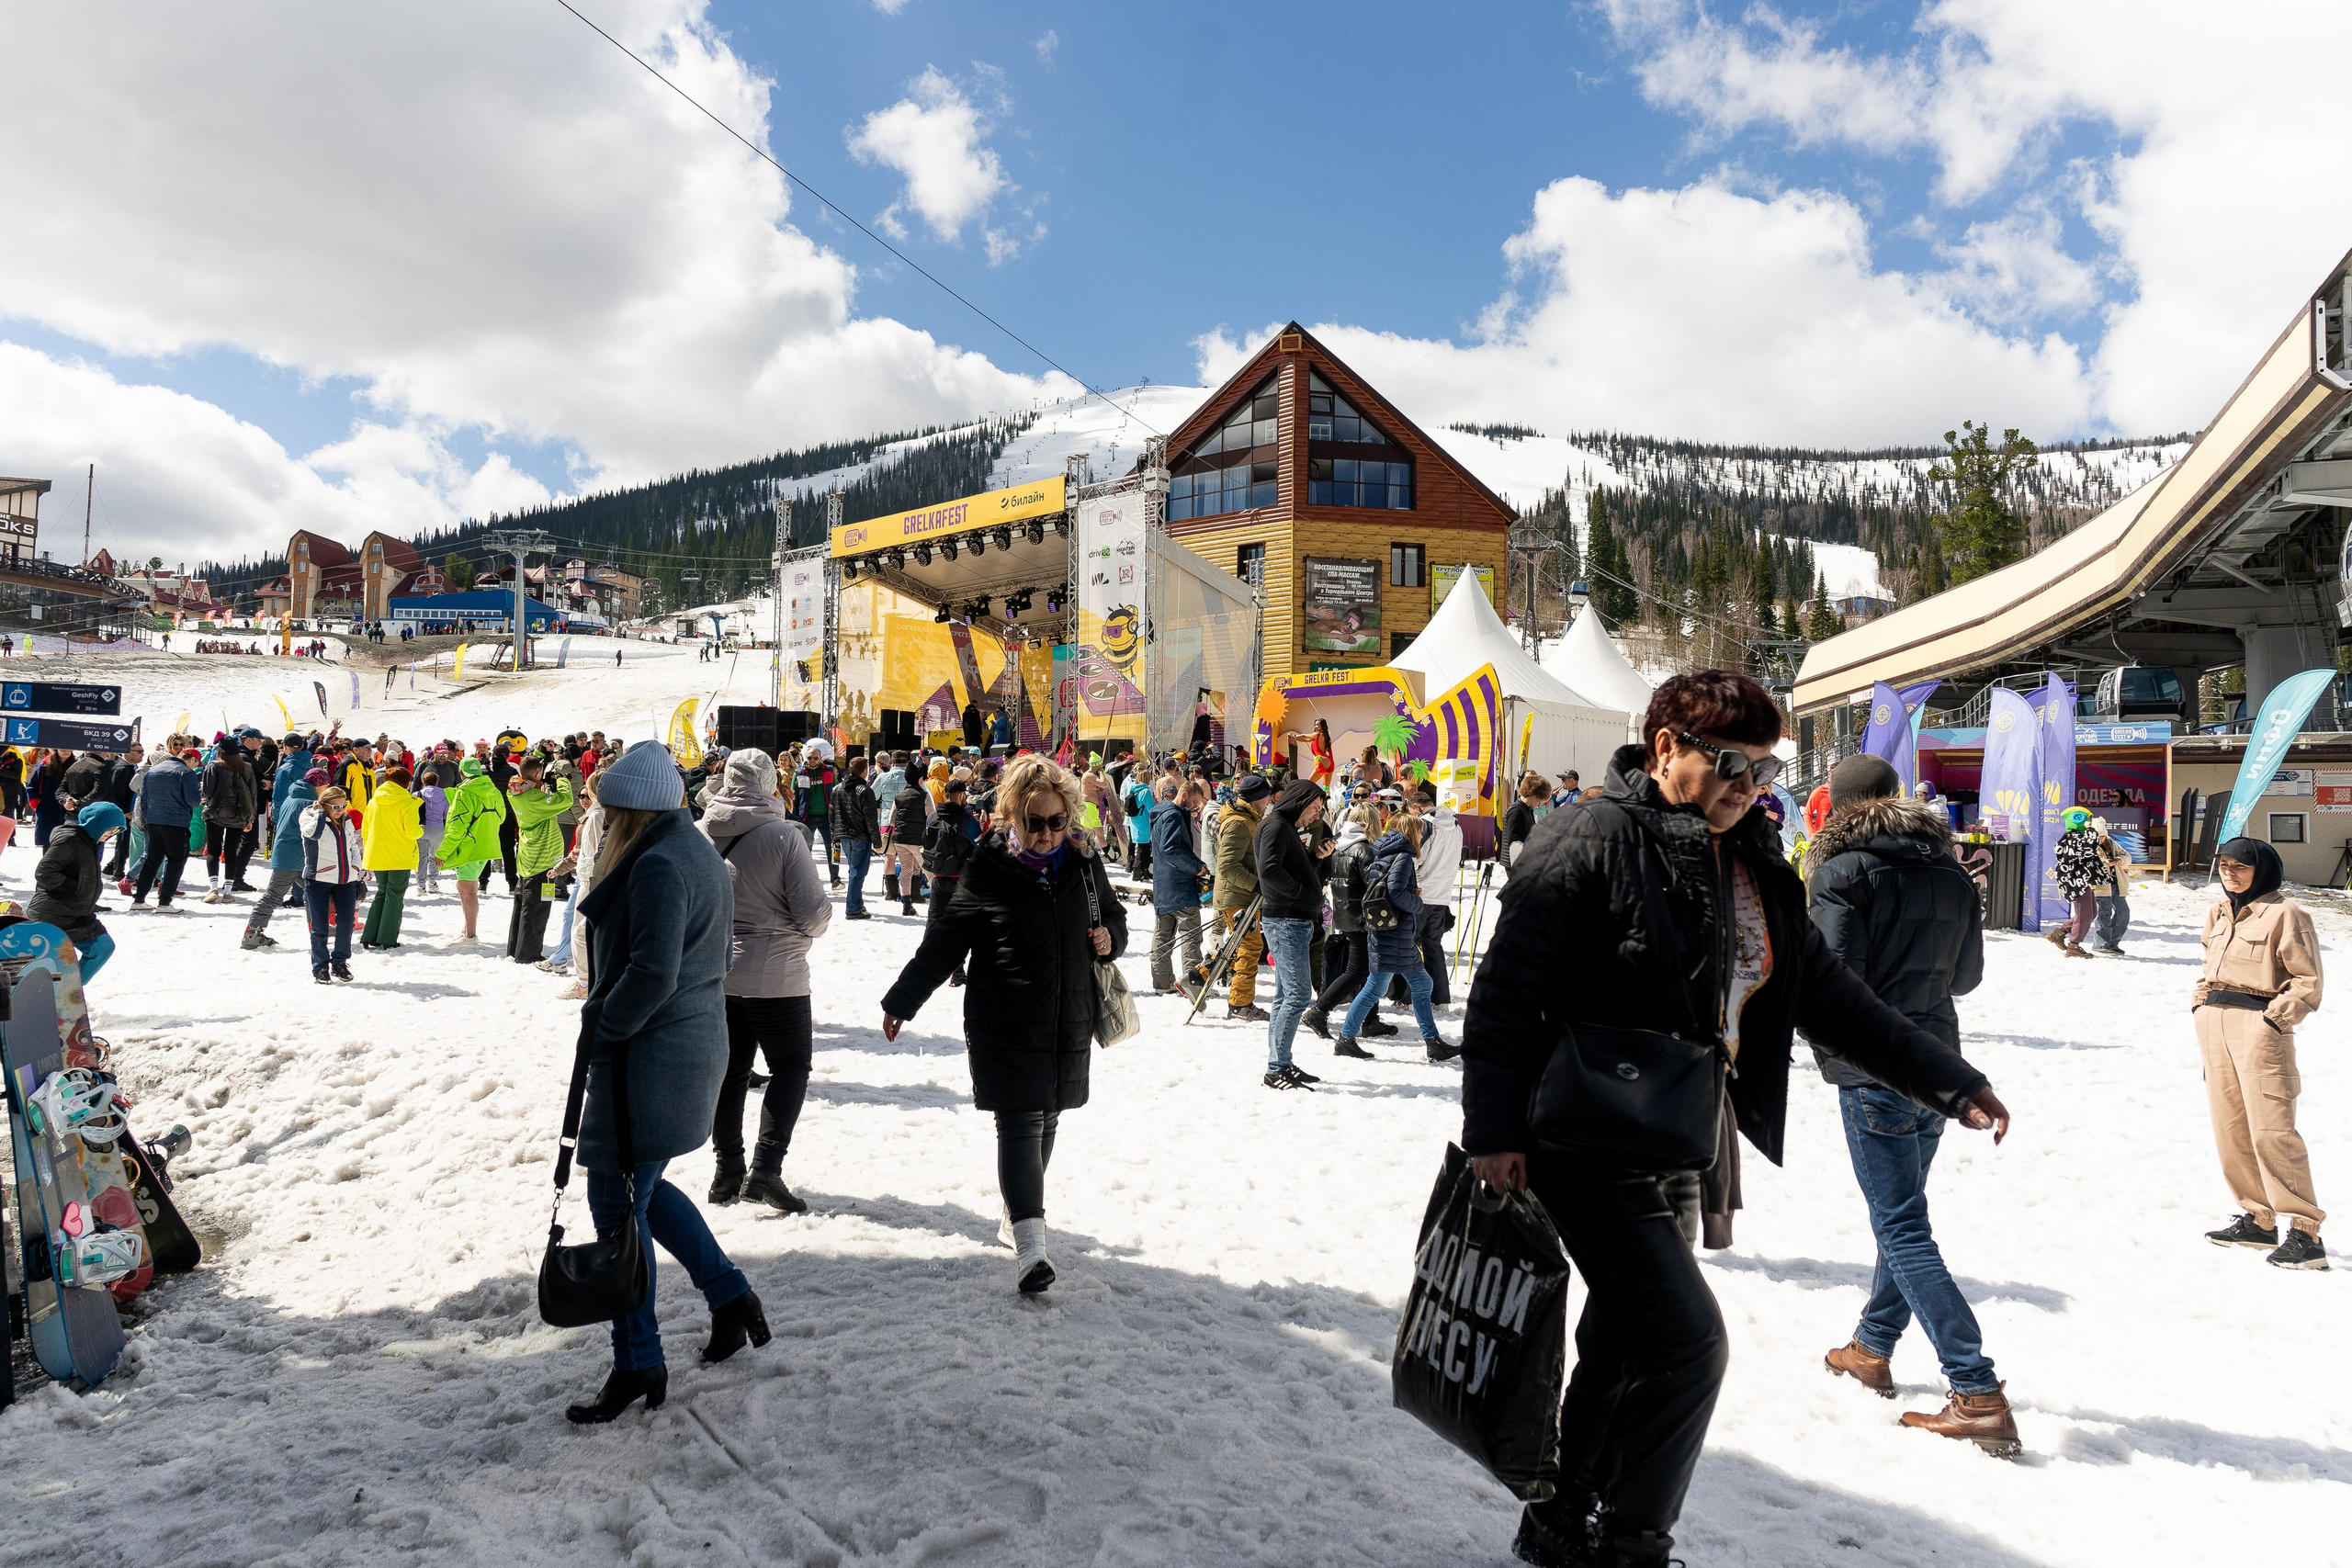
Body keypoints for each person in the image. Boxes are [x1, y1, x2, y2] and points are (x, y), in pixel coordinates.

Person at [1459, 671, 2011, 1568]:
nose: (1745, 784)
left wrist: (1947, 1081)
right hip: (1575, 1132)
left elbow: (1828, 997)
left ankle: (1561, 1523)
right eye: (1727, 763)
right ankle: (1631, 1546)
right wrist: (1491, 1133)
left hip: (1674, 1134)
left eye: (1761, 768)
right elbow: (1502, 996)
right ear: (1664, 745)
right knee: (1684, 1340)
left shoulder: (1750, 858)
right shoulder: (1588, 832)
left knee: (1619, 1339)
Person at [1803, 754, 2013, 1449]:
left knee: (1900, 1225)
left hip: (1876, 1067)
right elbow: (1969, 975)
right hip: (1939, 1062)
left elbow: (1830, 980)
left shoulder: (1839, 872)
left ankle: (1974, 1384)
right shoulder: (1950, 867)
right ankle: (1871, 1346)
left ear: (1838, 806)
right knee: (1905, 1216)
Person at [566, 741, 768, 1424]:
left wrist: (603, 1025)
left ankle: (638, 1358)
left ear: (633, 809)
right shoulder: (687, 848)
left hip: (649, 1057)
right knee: (642, 1193)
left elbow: (650, 973)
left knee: (617, 1204)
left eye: (611, 809)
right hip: (684, 1044)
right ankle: (729, 1293)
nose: (606, 820)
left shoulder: (656, 863)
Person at [882, 754, 1125, 1293]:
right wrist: (903, 998)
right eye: (1033, 822)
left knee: (1050, 1117)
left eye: (1056, 821)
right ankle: (1031, 1249)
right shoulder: (988, 869)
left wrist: (1110, 937)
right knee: (1020, 1122)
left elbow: (1114, 916)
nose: (1045, 834)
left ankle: (1017, 1211)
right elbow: (945, 939)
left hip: (1067, 1016)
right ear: (1011, 817)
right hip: (1005, 1018)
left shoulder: (1083, 864)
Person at [698, 749, 831, 1213]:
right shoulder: (783, 836)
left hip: (716, 970)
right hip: (778, 972)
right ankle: (766, 1170)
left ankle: (726, 1171)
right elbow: (813, 914)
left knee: (730, 1071)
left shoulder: (700, 832)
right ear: (771, 782)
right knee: (791, 1067)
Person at [2197, 837, 2328, 1270]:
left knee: (2272, 1130)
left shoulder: (2286, 914)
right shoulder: (2218, 911)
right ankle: (2258, 1218)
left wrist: (2274, 1021)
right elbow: (2208, 967)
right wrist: (2201, 1003)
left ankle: (2305, 1232)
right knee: (2230, 1126)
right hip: (2215, 1026)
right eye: (2225, 865)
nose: (2230, 873)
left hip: (2259, 1028)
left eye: (2241, 867)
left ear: (2263, 870)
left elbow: (2306, 980)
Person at [1330, 817, 1456, 1065]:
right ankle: (1346, 1039)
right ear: (1412, 832)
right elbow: (1396, 892)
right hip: (1395, 933)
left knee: (1411, 986)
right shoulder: (1403, 856)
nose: (1422, 838)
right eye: (1420, 833)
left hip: (1386, 931)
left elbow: (1385, 886)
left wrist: (1410, 892)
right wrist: (1417, 903)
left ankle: (1432, 1042)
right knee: (1396, 987)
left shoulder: (1384, 852)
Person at [1255, 777, 1332, 1088]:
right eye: (1314, 808)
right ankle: (1277, 1069)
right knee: (1299, 994)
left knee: (1286, 994)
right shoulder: (1275, 826)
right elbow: (1269, 870)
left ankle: (1280, 1064)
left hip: (1291, 918)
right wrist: (1304, 895)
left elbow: (1287, 867)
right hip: (1286, 920)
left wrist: (1315, 858)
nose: (1317, 816)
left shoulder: (1283, 826)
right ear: (1300, 801)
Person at [1306, 805, 1393, 1047]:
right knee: (1358, 972)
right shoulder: (1364, 848)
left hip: (1345, 916)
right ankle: (1319, 1011)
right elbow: (1374, 887)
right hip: (1362, 918)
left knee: (1366, 970)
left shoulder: (1341, 846)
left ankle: (1370, 1019)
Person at [31, 802, 120, 985]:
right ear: (96, 823)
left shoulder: (89, 841)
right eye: (110, 829)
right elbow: (44, 872)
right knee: (49, 963)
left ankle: (69, 991)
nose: (111, 834)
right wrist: (75, 889)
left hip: (79, 914)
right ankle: (58, 995)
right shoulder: (70, 840)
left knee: (103, 948)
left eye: (115, 832)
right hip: (55, 914)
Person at [1210, 774, 1271, 1021]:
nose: (1269, 800)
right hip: (1237, 895)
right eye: (1267, 796)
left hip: (1240, 894)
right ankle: (1240, 1004)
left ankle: (1197, 977)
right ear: (1258, 797)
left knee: (1237, 945)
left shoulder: (1248, 818)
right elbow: (1226, 866)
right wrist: (1255, 885)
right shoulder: (1238, 822)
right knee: (1250, 947)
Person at [506, 761, 574, 964]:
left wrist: (543, 785)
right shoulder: (534, 798)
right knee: (537, 908)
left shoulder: (516, 791)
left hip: (529, 856)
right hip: (543, 860)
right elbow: (565, 801)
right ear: (537, 772)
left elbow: (543, 797)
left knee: (523, 905)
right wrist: (562, 781)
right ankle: (528, 954)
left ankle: (515, 949)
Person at [243, 769, 320, 951]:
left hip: (289, 853)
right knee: (274, 896)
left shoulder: (291, 796)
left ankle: (320, 927)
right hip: (294, 856)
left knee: (315, 893)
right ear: (318, 785)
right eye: (325, 785)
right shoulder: (309, 803)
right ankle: (252, 934)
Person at [300, 786, 367, 984]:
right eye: (335, 806)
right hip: (318, 879)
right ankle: (320, 967)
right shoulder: (309, 815)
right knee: (319, 927)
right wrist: (320, 813)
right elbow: (312, 834)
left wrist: (355, 866)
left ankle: (340, 962)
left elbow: (353, 845)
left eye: (343, 805)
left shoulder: (346, 820)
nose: (340, 810)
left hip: (345, 880)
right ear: (323, 804)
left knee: (346, 923)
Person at [1148, 777, 1208, 995]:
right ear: (1184, 795)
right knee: (1191, 935)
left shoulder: (1161, 812)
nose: (1195, 808)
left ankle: (1162, 982)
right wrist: (1196, 867)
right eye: (1194, 802)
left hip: (1163, 884)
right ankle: (1193, 983)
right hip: (1180, 885)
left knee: (1163, 935)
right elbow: (1170, 848)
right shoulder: (1173, 815)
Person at [435, 757, 505, 943]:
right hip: (487, 845)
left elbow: (456, 826)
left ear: (461, 773)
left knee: (468, 891)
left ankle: (470, 935)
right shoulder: (494, 791)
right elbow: (501, 817)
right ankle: (467, 929)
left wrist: (442, 852)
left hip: (468, 848)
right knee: (464, 887)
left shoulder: (464, 793)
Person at [130, 742, 200, 908]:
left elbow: (144, 799)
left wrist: (149, 818)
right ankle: (164, 902)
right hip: (176, 822)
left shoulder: (152, 771)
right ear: (190, 760)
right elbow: (194, 801)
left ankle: (139, 900)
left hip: (154, 821)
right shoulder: (186, 773)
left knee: (152, 860)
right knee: (176, 861)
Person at [360, 764, 423, 950]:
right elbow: (412, 832)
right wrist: (421, 831)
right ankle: (387, 938)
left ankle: (370, 935)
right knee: (394, 895)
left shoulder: (374, 801)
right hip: (399, 854)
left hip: (377, 853)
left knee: (382, 892)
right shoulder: (407, 802)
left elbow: (365, 829)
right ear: (406, 782)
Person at [1410, 786, 1463, 1007]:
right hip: (1442, 894)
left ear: (1417, 807)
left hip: (1422, 892)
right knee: (1433, 947)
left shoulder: (1425, 824)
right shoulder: (1456, 825)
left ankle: (1408, 997)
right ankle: (1441, 999)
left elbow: (1416, 857)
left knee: (1409, 945)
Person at [198, 740, 260, 901]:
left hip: (217, 813)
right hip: (239, 814)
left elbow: (207, 791)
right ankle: (228, 891)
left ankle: (213, 888)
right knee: (231, 852)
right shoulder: (246, 767)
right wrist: (250, 818)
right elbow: (253, 794)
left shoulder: (214, 766)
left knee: (213, 850)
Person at [2046, 806, 2104, 957]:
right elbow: (2091, 847)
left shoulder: (2071, 837)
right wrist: (2090, 830)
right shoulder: (2073, 838)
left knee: (2091, 912)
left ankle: (2059, 933)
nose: (2089, 823)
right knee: (2084, 914)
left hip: (2081, 879)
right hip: (2075, 881)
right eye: (2088, 821)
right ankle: (2074, 945)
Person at [833, 754, 880, 919]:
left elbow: (832, 813)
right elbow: (871, 818)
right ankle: (853, 908)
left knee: (854, 870)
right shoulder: (865, 790)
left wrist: (834, 835)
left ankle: (857, 905)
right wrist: (877, 841)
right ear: (865, 771)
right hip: (860, 835)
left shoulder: (837, 788)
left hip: (843, 835)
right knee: (857, 872)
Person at [888, 756, 931, 916]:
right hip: (918, 841)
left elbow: (891, 820)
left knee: (905, 871)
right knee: (929, 870)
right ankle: (938, 904)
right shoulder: (924, 796)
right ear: (920, 779)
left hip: (900, 839)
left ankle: (906, 905)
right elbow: (931, 818)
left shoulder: (898, 797)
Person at [2090, 818, 2133, 955]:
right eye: (2098, 836)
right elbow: (2087, 863)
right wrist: (2105, 864)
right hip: (2101, 885)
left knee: (2123, 913)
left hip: (2116, 884)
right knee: (2103, 914)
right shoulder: (2087, 844)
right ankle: (2101, 945)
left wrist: (2120, 860)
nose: (2101, 839)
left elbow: (2127, 856)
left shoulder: (2110, 842)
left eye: (2102, 836)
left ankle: (2112, 943)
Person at [1499, 774, 1550, 868]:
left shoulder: (1527, 809)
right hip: (1516, 865)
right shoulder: (1516, 811)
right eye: (1539, 800)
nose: (1539, 804)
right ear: (1533, 796)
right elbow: (1514, 842)